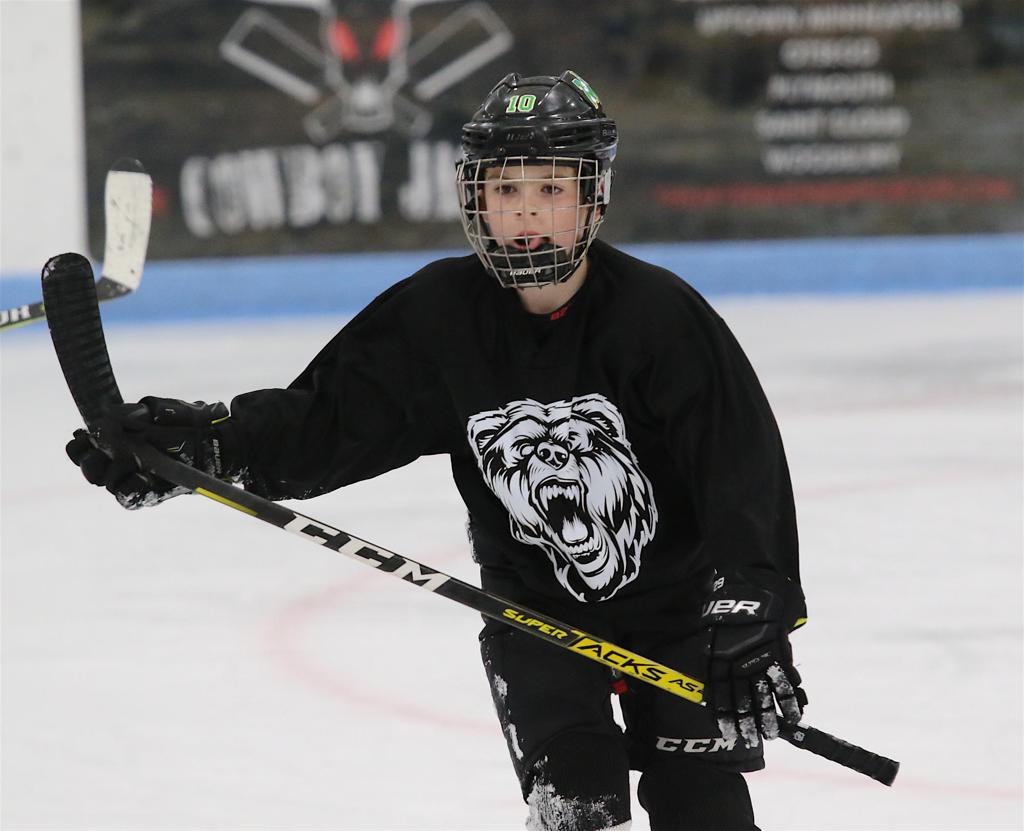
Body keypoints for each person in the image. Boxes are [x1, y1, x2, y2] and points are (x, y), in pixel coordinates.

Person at [67, 70, 808, 831]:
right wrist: (203, 451)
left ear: (594, 198)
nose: (527, 212)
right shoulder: (440, 318)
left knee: (703, 804)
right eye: (506, 188)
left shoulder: (660, 318)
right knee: (578, 801)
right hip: (536, 613)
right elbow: (324, 424)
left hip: (682, 608)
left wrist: (752, 607)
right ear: (474, 197)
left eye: (552, 189)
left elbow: (739, 470)